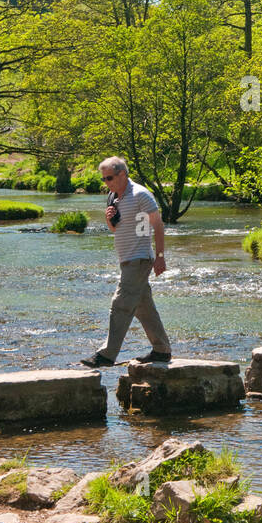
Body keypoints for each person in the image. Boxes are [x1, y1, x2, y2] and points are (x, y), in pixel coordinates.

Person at [80, 157, 172, 367]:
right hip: (127, 259)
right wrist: (109, 219)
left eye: (110, 178)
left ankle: (106, 355)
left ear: (123, 174)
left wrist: (159, 256)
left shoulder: (141, 195)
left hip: (139, 258)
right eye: (103, 179)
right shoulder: (114, 196)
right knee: (143, 307)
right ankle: (162, 350)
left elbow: (158, 225)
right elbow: (116, 229)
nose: (107, 183)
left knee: (120, 304)